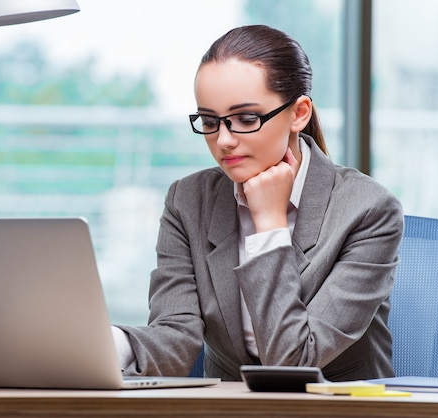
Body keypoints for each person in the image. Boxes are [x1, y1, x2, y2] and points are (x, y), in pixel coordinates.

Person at [111, 24, 404, 382]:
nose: (223, 140)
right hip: (229, 409)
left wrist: (268, 222)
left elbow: (295, 360)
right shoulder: (187, 202)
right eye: (209, 120)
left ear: (299, 113)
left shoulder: (368, 209)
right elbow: (175, 335)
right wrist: (106, 343)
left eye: (246, 119)